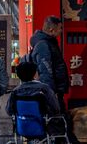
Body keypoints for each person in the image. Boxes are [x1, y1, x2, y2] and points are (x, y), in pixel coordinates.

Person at [30, 16, 79, 144]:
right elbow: (46, 71)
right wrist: (51, 93)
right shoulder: (43, 45)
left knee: (60, 124)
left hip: (54, 91)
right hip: (52, 93)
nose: (61, 31)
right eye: (60, 28)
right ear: (52, 29)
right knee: (58, 123)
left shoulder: (48, 43)